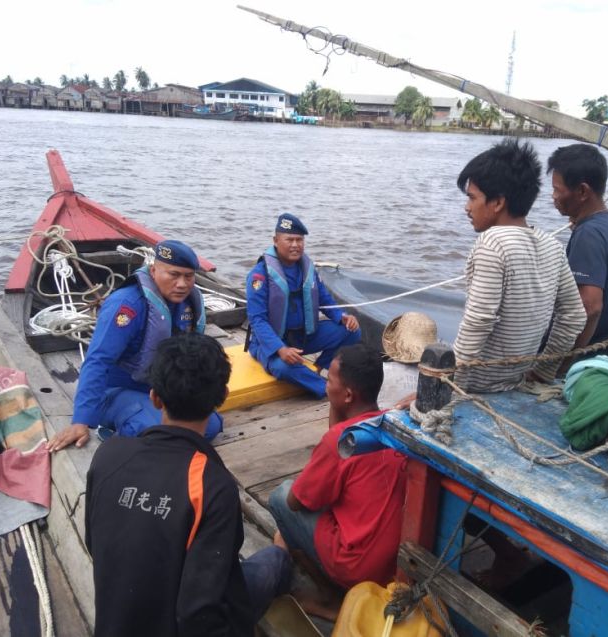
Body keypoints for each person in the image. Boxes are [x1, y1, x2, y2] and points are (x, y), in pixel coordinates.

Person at [85, 333, 291, 637]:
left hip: (116, 621)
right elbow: (199, 612)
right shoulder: (212, 484)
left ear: (154, 397)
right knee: (275, 559)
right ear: (221, 398)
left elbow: (94, 542)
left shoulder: (108, 455)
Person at [268, 344, 407, 617]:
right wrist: (336, 404)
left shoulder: (339, 441)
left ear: (347, 395)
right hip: (393, 564)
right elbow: (340, 431)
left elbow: (295, 502)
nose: (324, 384)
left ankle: (330, 596)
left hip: (355, 567)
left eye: (329, 380)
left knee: (281, 496)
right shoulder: (394, 423)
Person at [47, 239, 223, 451]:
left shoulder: (187, 301)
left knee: (209, 425)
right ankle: (115, 428)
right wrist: (80, 422)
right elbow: (97, 360)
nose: (182, 284)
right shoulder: (127, 305)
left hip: (159, 389)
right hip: (117, 390)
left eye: (189, 276)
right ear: (154, 269)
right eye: (174, 275)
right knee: (153, 431)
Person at [453, 138, 586, 392]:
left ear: (498, 202)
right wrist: (543, 371)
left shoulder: (492, 243)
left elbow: (479, 321)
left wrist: (444, 381)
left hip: (476, 386)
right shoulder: (552, 245)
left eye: (472, 198)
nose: (467, 207)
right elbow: (574, 316)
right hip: (515, 382)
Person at [246, 213, 361, 398]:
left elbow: (324, 299)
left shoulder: (308, 268)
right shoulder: (259, 275)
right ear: (276, 240)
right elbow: (257, 319)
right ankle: (327, 389)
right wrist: (280, 349)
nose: (295, 245)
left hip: (303, 337)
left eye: (299, 239)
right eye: (289, 239)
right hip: (273, 342)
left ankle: (319, 368)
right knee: (283, 368)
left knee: (352, 331)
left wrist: (342, 316)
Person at [546, 143, 608, 360]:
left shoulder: (589, 234)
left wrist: (558, 365)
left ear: (582, 191)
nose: (553, 197)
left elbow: (589, 308)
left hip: (591, 360)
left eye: (557, 189)